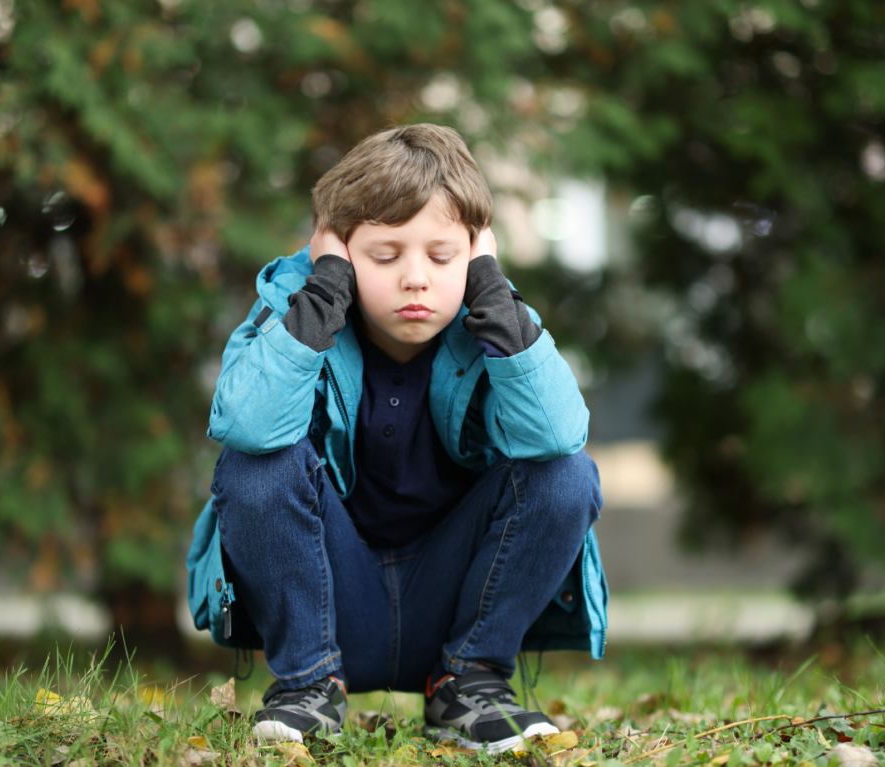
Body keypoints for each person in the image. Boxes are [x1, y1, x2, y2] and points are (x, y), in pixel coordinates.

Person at [186, 124, 607, 754]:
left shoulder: (498, 321)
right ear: (340, 252)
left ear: (476, 252)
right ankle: (305, 689)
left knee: (566, 471)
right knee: (256, 465)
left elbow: (557, 434)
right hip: (331, 602)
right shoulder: (296, 313)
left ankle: (472, 687)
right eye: (386, 256)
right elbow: (246, 427)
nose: (417, 279)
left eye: (442, 257)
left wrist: (491, 289)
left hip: (455, 603)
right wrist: (323, 292)